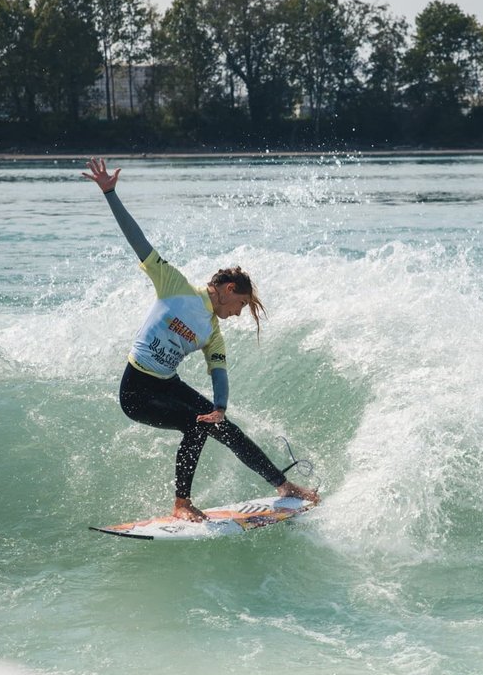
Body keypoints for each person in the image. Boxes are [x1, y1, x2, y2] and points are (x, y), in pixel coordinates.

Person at [82, 157, 319, 521]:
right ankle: (181, 504)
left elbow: (219, 373)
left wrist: (220, 405)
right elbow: (138, 240)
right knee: (196, 425)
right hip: (137, 390)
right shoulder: (174, 285)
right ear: (226, 290)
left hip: (168, 384)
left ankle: (283, 486)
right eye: (240, 304)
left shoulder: (213, 332)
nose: (238, 313)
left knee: (219, 425)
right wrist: (110, 193)